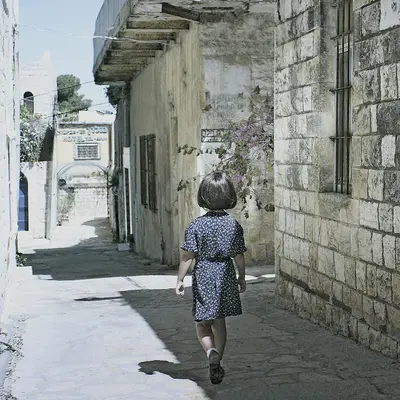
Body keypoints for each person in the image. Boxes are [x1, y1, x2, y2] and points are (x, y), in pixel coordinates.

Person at [175, 171, 247, 385]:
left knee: (202, 322)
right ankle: (218, 361)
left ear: (203, 197)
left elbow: (187, 256)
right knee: (219, 321)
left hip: (204, 273)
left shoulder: (196, 226)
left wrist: (180, 279)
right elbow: (239, 255)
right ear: (229, 196)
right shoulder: (233, 225)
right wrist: (241, 277)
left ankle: (210, 352)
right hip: (225, 273)